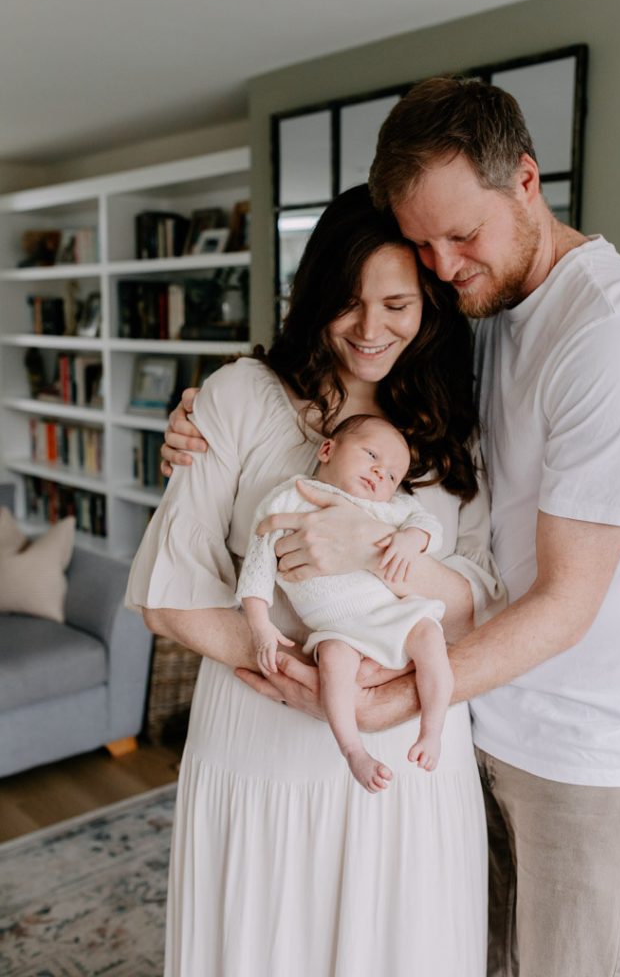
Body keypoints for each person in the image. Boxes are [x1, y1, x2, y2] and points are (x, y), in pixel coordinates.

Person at [165, 76, 620, 977]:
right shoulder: (481, 316)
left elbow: (565, 602)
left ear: (526, 180)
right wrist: (203, 418)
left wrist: (379, 703)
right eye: (424, 243)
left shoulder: (615, 336)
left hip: (574, 741)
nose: (442, 264)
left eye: (461, 235)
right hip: (478, 721)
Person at [128, 183, 506, 977]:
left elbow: (482, 594)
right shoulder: (237, 397)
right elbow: (167, 590)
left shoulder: (451, 422)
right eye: (346, 302)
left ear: (429, 303)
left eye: (398, 303)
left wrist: (371, 557)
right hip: (259, 741)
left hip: (406, 754)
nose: (371, 330)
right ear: (313, 298)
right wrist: (296, 666)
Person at [237, 413, 452, 791]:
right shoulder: (289, 498)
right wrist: (261, 626)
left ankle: (432, 730)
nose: (378, 474)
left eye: (390, 476)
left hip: (393, 612)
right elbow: (256, 570)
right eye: (371, 455)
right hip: (337, 628)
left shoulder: (389, 508)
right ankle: (354, 750)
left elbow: (428, 524)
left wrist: (410, 538)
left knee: (431, 640)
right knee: (334, 663)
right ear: (327, 449)